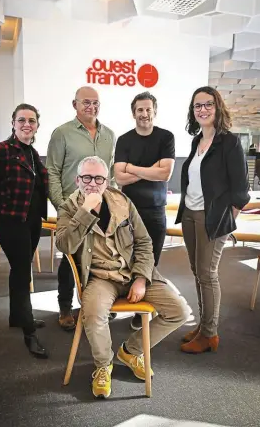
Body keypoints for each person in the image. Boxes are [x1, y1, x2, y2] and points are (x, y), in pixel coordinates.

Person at [55, 156, 189, 399]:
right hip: (100, 278)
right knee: (93, 314)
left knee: (179, 311)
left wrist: (140, 278)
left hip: (132, 272)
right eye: (86, 178)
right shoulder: (68, 208)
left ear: (107, 182)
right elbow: (64, 244)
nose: (92, 184)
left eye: (98, 178)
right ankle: (103, 365)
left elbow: (144, 242)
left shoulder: (122, 201)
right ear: (77, 180)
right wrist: (85, 211)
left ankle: (131, 350)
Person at [175, 86, 250, 354]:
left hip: (213, 218)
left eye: (208, 104)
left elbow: (241, 189)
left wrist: (228, 220)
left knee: (208, 274)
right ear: (192, 111)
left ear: (217, 108)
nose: (202, 110)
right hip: (190, 214)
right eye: (197, 106)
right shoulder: (197, 141)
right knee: (197, 272)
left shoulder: (228, 142)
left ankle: (210, 333)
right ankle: (204, 325)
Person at [0, 103, 49, 359]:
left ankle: (16, 317)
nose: (27, 124)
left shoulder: (32, 153)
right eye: (22, 120)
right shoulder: (0, 150)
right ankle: (29, 331)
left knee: (21, 269)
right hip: (12, 222)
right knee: (21, 273)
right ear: (13, 123)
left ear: (37, 126)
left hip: (31, 222)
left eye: (32, 120)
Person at [46, 86, 116, 330]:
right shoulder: (62, 133)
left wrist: (113, 203)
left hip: (102, 207)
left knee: (100, 256)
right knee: (69, 259)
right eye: (86, 102)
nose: (91, 107)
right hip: (73, 206)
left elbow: (112, 173)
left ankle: (98, 304)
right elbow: (52, 171)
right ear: (74, 104)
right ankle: (65, 307)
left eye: (96, 103)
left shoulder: (109, 135)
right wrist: (62, 205)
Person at [114, 91, 175, 331]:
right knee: (126, 259)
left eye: (148, 109)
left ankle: (142, 312)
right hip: (127, 211)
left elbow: (165, 173)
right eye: (140, 109)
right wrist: (150, 169)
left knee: (151, 262)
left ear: (154, 111)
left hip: (155, 210)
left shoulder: (166, 137)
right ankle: (124, 301)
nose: (144, 113)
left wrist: (132, 168)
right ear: (133, 113)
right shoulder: (124, 140)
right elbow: (120, 177)